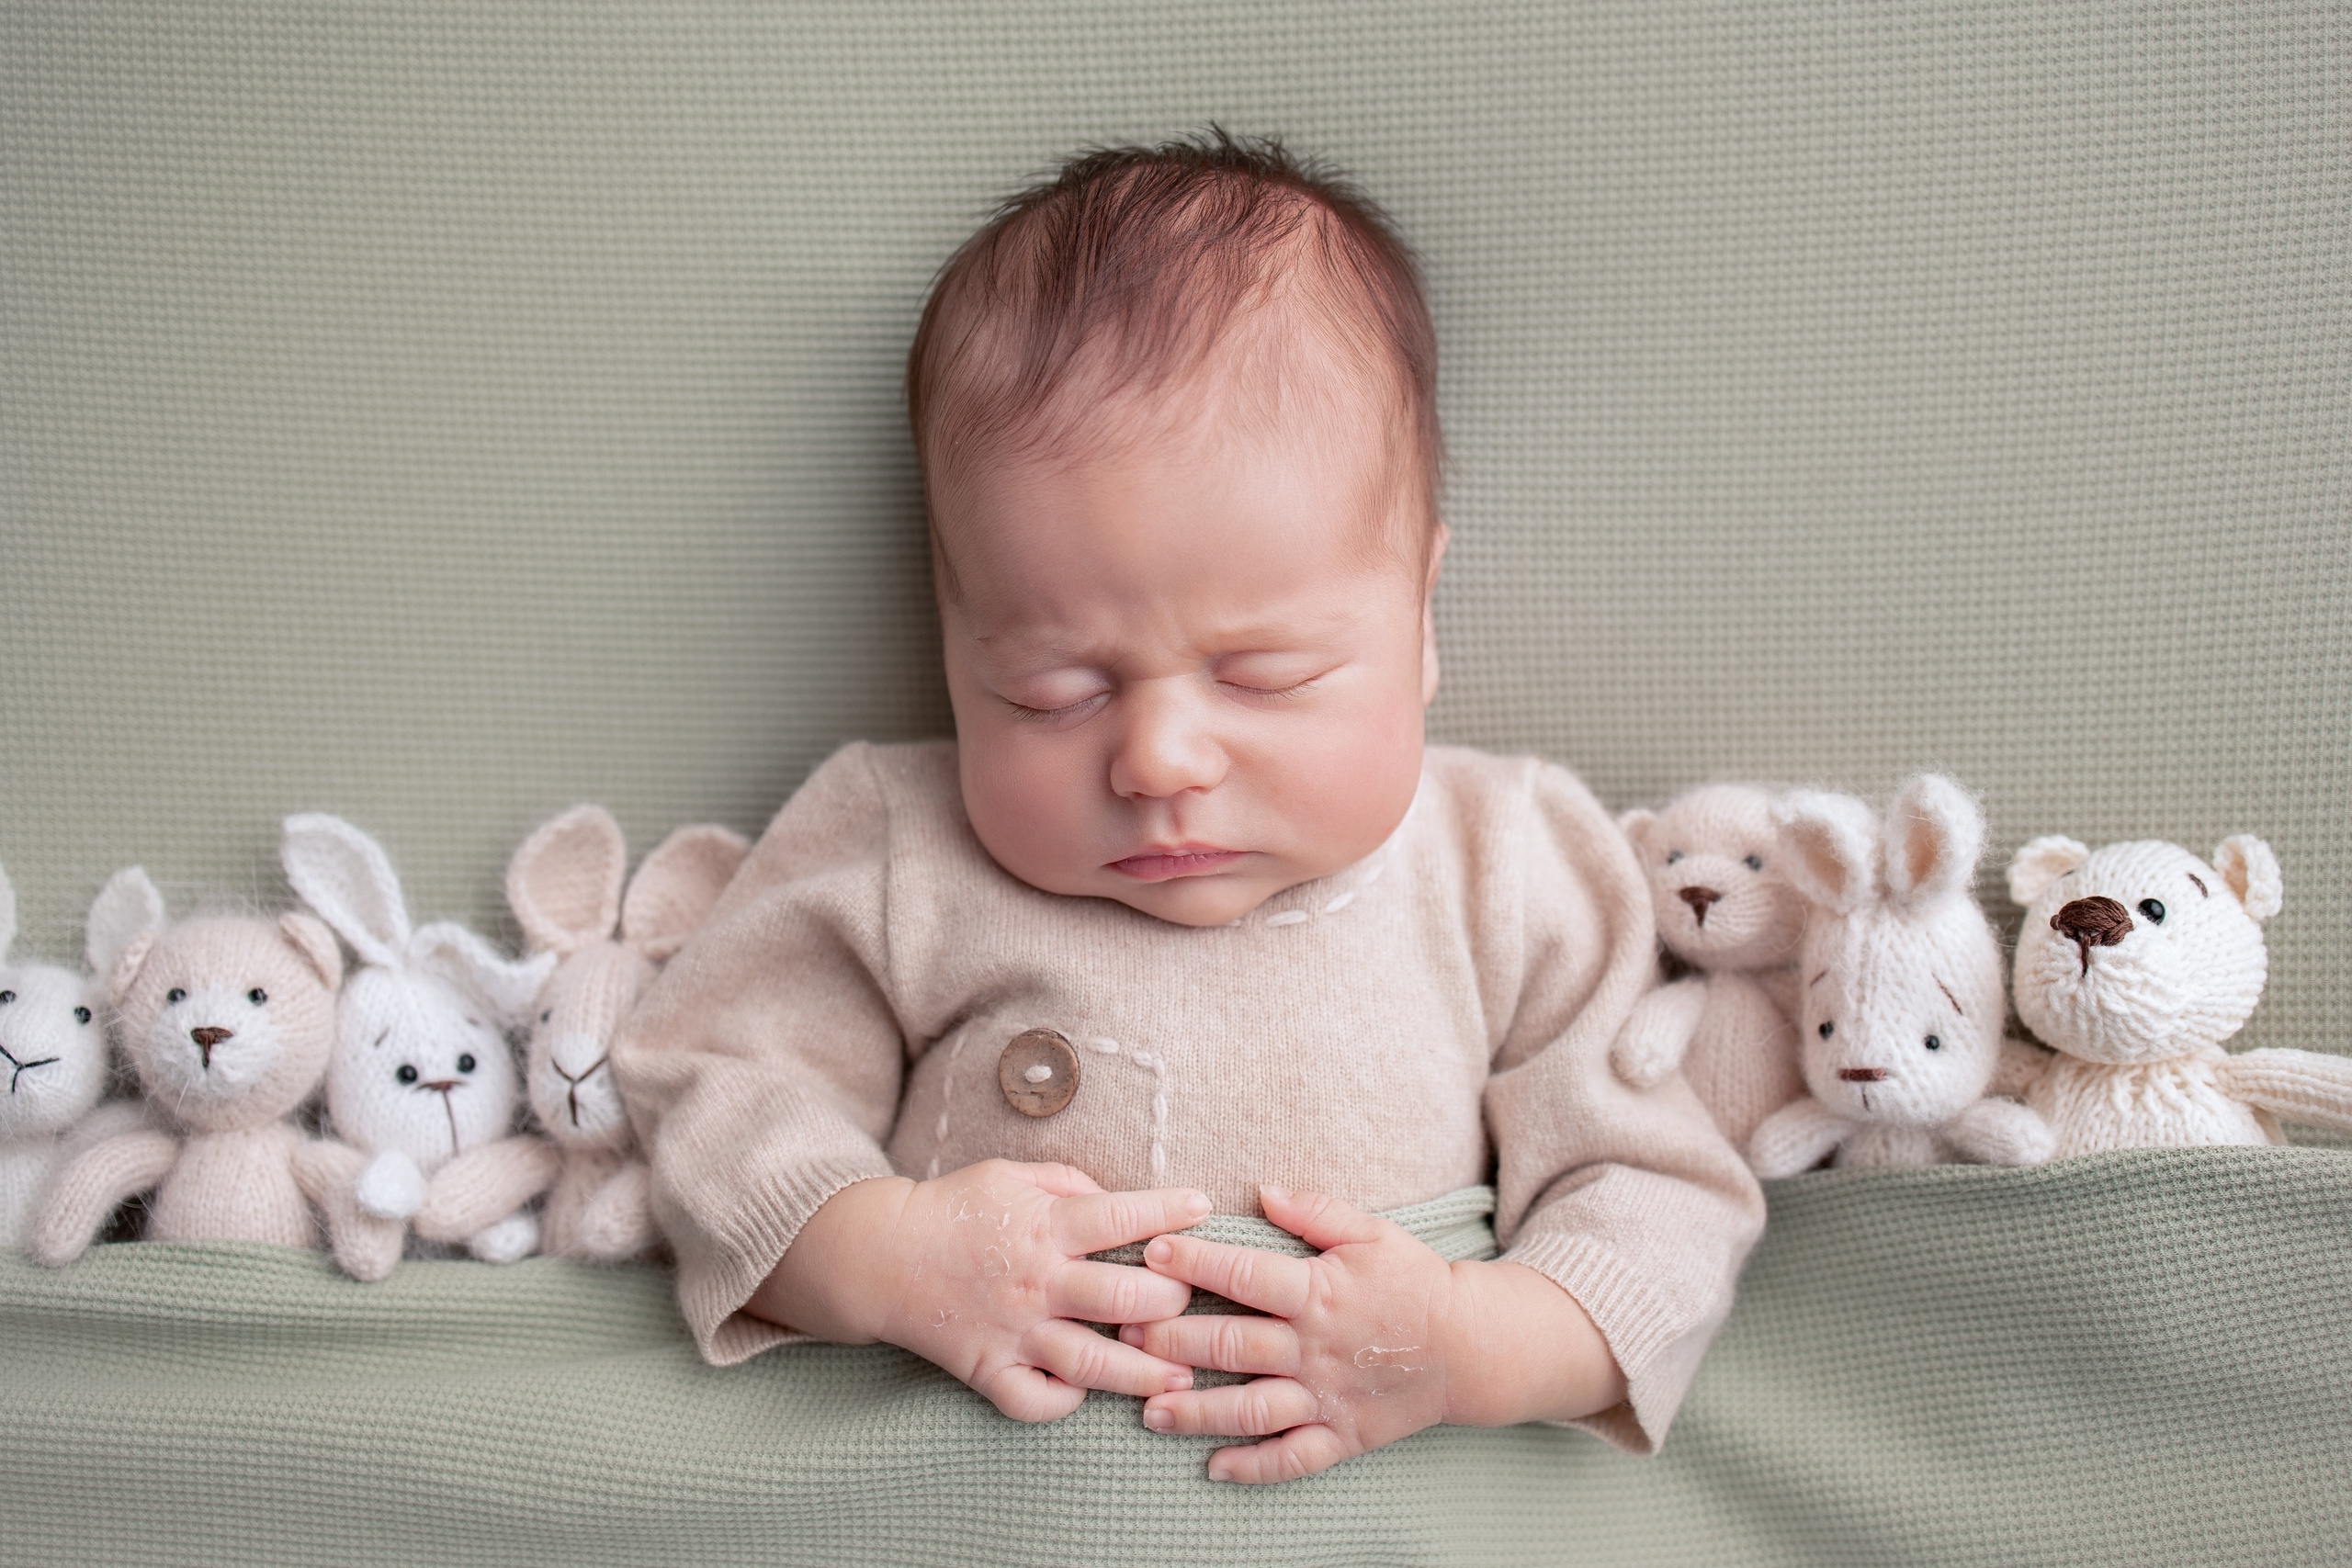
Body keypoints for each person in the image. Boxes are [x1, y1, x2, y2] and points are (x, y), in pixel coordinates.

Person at [613, 131, 1762, 1483]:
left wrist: (1471, 1341)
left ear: (1419, 617)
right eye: (1050, 688)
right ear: (953, 640)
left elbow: (1659, 1195)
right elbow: (711, 1075)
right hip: (949, 1497)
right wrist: (877, 1258)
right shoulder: (893, 843)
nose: (1159, 758)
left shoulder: (1502, 862)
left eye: (1264, 673)